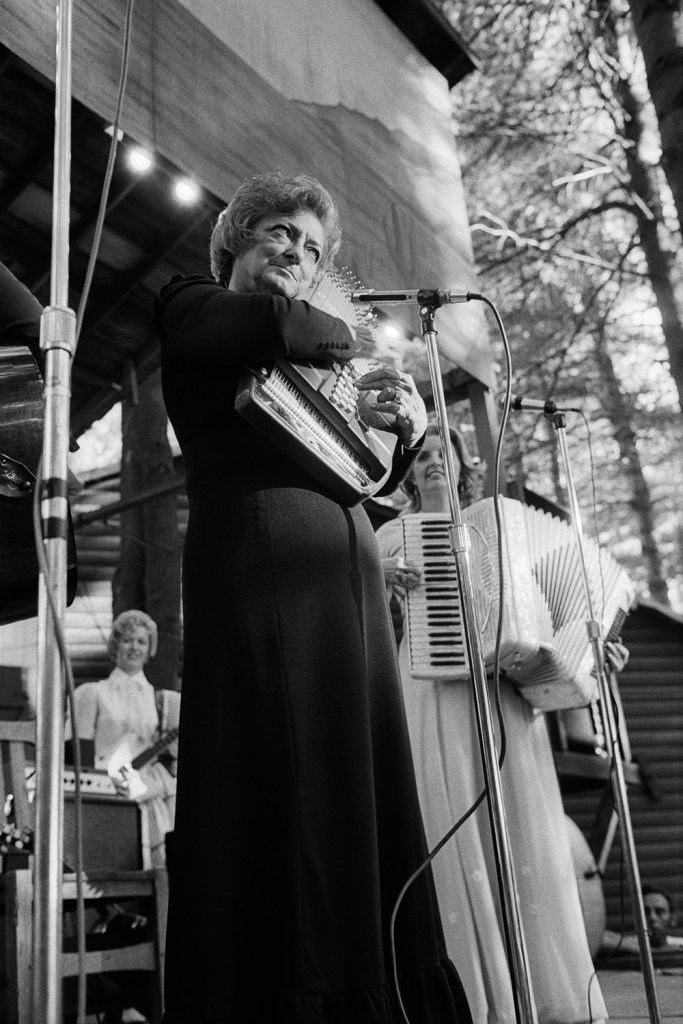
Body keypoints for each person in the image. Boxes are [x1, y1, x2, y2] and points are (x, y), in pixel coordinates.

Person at [154, 172, 473, 1023]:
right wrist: (357, 344)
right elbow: (277, 323)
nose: (293, 256)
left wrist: (397, 423)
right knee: (287, 788)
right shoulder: (196, 304)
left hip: (351, 595)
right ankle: (307, 990)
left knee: (361, 793)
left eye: (309, 247)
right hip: (261, 576)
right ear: (236, 242)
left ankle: (387, 982)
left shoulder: (304, 356)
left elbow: (367, 485)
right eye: (278, 237)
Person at [375, 422, 609, 1024]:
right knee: (451, 821)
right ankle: (475, 995)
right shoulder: (386, 537)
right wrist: (380, 589)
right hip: (432, 692)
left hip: (504, 696)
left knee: (520, 829)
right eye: (421, 456)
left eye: (441, 454)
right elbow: (363, 633)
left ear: (460, 462)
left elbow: (558, 612)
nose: (432, 464)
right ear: (407, 470)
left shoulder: (500, 526)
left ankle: (540, 993)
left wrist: (590, 649)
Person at [66, 609, 180, 868]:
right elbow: (76, 753)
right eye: (128, 640)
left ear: (151, 648)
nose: (134, 647)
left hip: (148, 796)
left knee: (156, 867)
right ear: (115, 644)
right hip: (103, 797)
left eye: (142, 641)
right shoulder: (92, 693)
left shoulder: (165, 701)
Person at [642, 886, 683, 950]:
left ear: (672, 919)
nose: (652, 917)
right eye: (646, 912)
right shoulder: (625, 944)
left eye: (659, 912)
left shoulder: (680, 945)